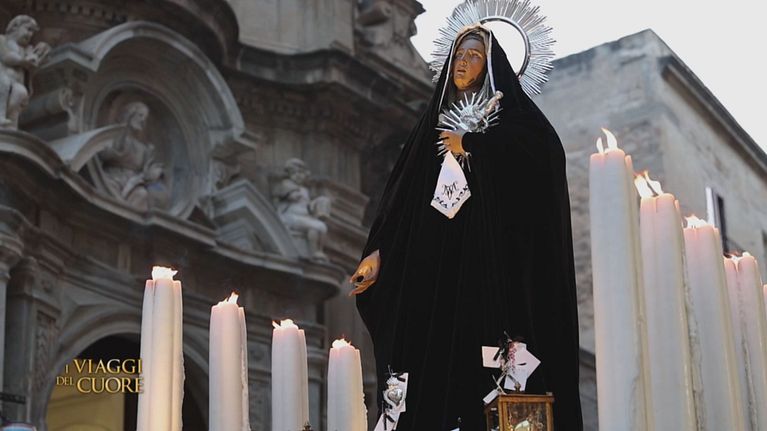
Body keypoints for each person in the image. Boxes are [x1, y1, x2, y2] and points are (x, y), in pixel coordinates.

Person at [350, 26, 583, 430]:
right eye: (458, 55)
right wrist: (378, 252)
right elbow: (403, 200)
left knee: (486, 357)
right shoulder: (430, 127)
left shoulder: (515, 121)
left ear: (491, 65)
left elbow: (543, 161)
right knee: (428, 354)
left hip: (489, 266)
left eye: (473, 55)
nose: (462, 61)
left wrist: (473, 144)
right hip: (434, 267)